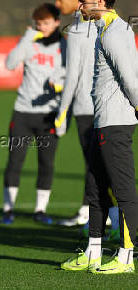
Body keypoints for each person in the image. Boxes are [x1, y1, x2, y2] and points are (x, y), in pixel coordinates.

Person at [61, 0, 138, 274]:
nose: (79, 5)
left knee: (123, 190)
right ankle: (93, 252)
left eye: (85, 0)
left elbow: (131, 79)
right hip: (102, 121)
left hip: (116, 123)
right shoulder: (105, 29)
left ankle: (126, 258)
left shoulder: (116, 32)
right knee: (94, 188)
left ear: (101, 3)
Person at [54, 0, 119, 241]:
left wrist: (62, 115)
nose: (58, 3)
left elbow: (72, 76)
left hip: (86, 107)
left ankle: (110, 220)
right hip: (108, 107)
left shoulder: (78, 31)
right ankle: (105, 218)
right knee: (104, 166)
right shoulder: (109, 25)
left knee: (97, 169)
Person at [2, 3, 66, 225]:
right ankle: (8, 210)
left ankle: (41, 210)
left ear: (57, 22)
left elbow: (71, 73)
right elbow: (10, 64)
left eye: (46, 23)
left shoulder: (65, 46)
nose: (41, 26)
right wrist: (26, 38)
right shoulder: (30, 42)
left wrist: (60, 81)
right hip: (23, 112)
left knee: (46, 163)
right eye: (38, 23)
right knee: (15, 161)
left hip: (49, 114)